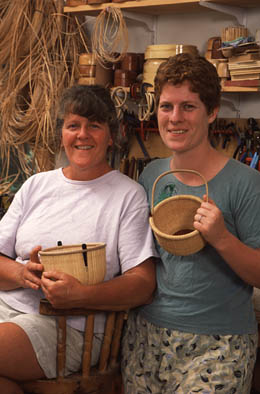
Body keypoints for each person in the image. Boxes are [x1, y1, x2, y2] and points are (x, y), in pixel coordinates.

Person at [0, 84, 157, 393]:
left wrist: (80, 295)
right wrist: (21, 274)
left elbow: (143, 284)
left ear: (111, 136)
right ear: (63, 134)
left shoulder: (127, 195)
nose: (82, 134)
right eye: (73, 125)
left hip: (70, 329)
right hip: (8, 309)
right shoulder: (36, 186)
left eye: (94, 126)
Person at [122, 53, 260, 394]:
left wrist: (222, 238)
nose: (174, 118)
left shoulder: (245, 182)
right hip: (148, 336)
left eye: (189, 107)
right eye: (167, 106)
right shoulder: (152, 175)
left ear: (212, 112)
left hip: (221, 343)